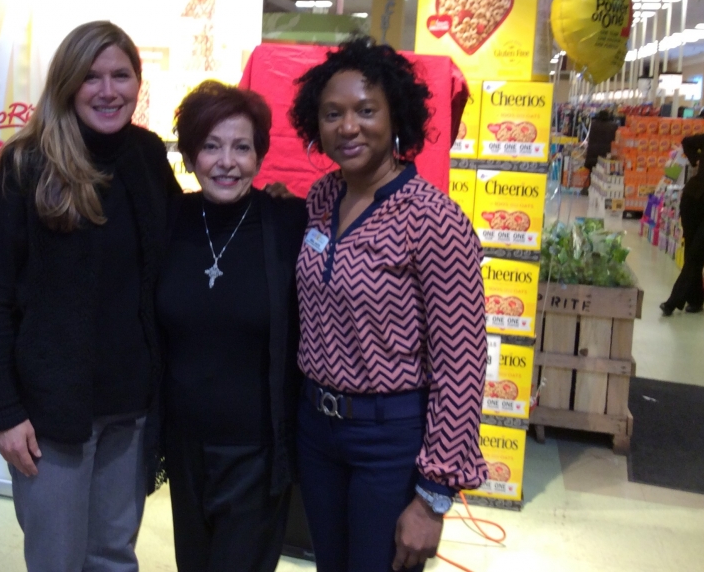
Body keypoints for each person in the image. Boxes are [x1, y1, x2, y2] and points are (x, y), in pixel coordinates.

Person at [0, 21, 181, 572]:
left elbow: (185, 239)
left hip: (131, 408)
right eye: (91, 77)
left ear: (138, 82)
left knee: (113, 557)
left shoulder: (146, 155)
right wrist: (5, 411)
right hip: (50, 416)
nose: (108, 91)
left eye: (121, 75)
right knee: (57, 561)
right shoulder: (27, 164)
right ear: (67, 83)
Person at [288, 39, 487, 572]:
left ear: (395, 115)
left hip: (390, 438)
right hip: (317, 430)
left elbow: (462, 363)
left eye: (366, 110)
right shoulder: (322, 199)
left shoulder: (434, 220)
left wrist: (433, 496)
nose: (348, 127)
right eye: (333, 114)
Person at [156, 81, 307, 572]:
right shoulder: (171, 219)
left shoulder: (289, 223)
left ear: (259, 156)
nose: (226, 162)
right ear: (189, 155)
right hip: (184, 446)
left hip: (256, 453)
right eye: (211, 146)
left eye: (241, 147)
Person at [660, 115, 704, 316]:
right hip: (692, 201)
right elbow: (687, 142)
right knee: (692, 251)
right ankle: (696, 298)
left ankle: (674, 301)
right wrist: (695, 161)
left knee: (696, 254)